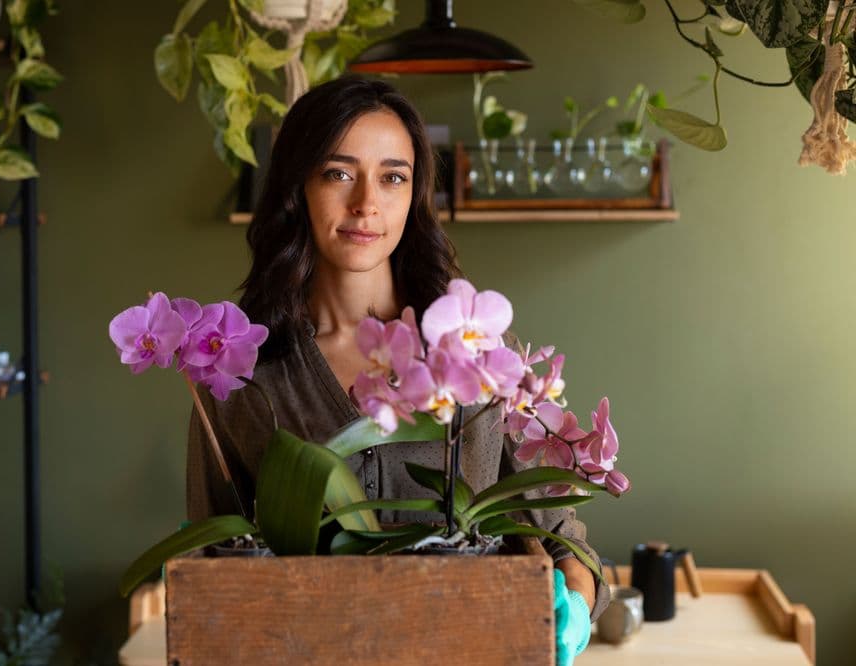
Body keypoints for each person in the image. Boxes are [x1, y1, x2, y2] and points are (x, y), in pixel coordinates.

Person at [186, 75, 609, 632]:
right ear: (297, 188)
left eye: (392, 178)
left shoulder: (476, 359)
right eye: (338, 173)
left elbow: (566, 546)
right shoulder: (242, 373)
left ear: (413, 196)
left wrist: (571, 611)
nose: (365, 204)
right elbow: (209, 561)